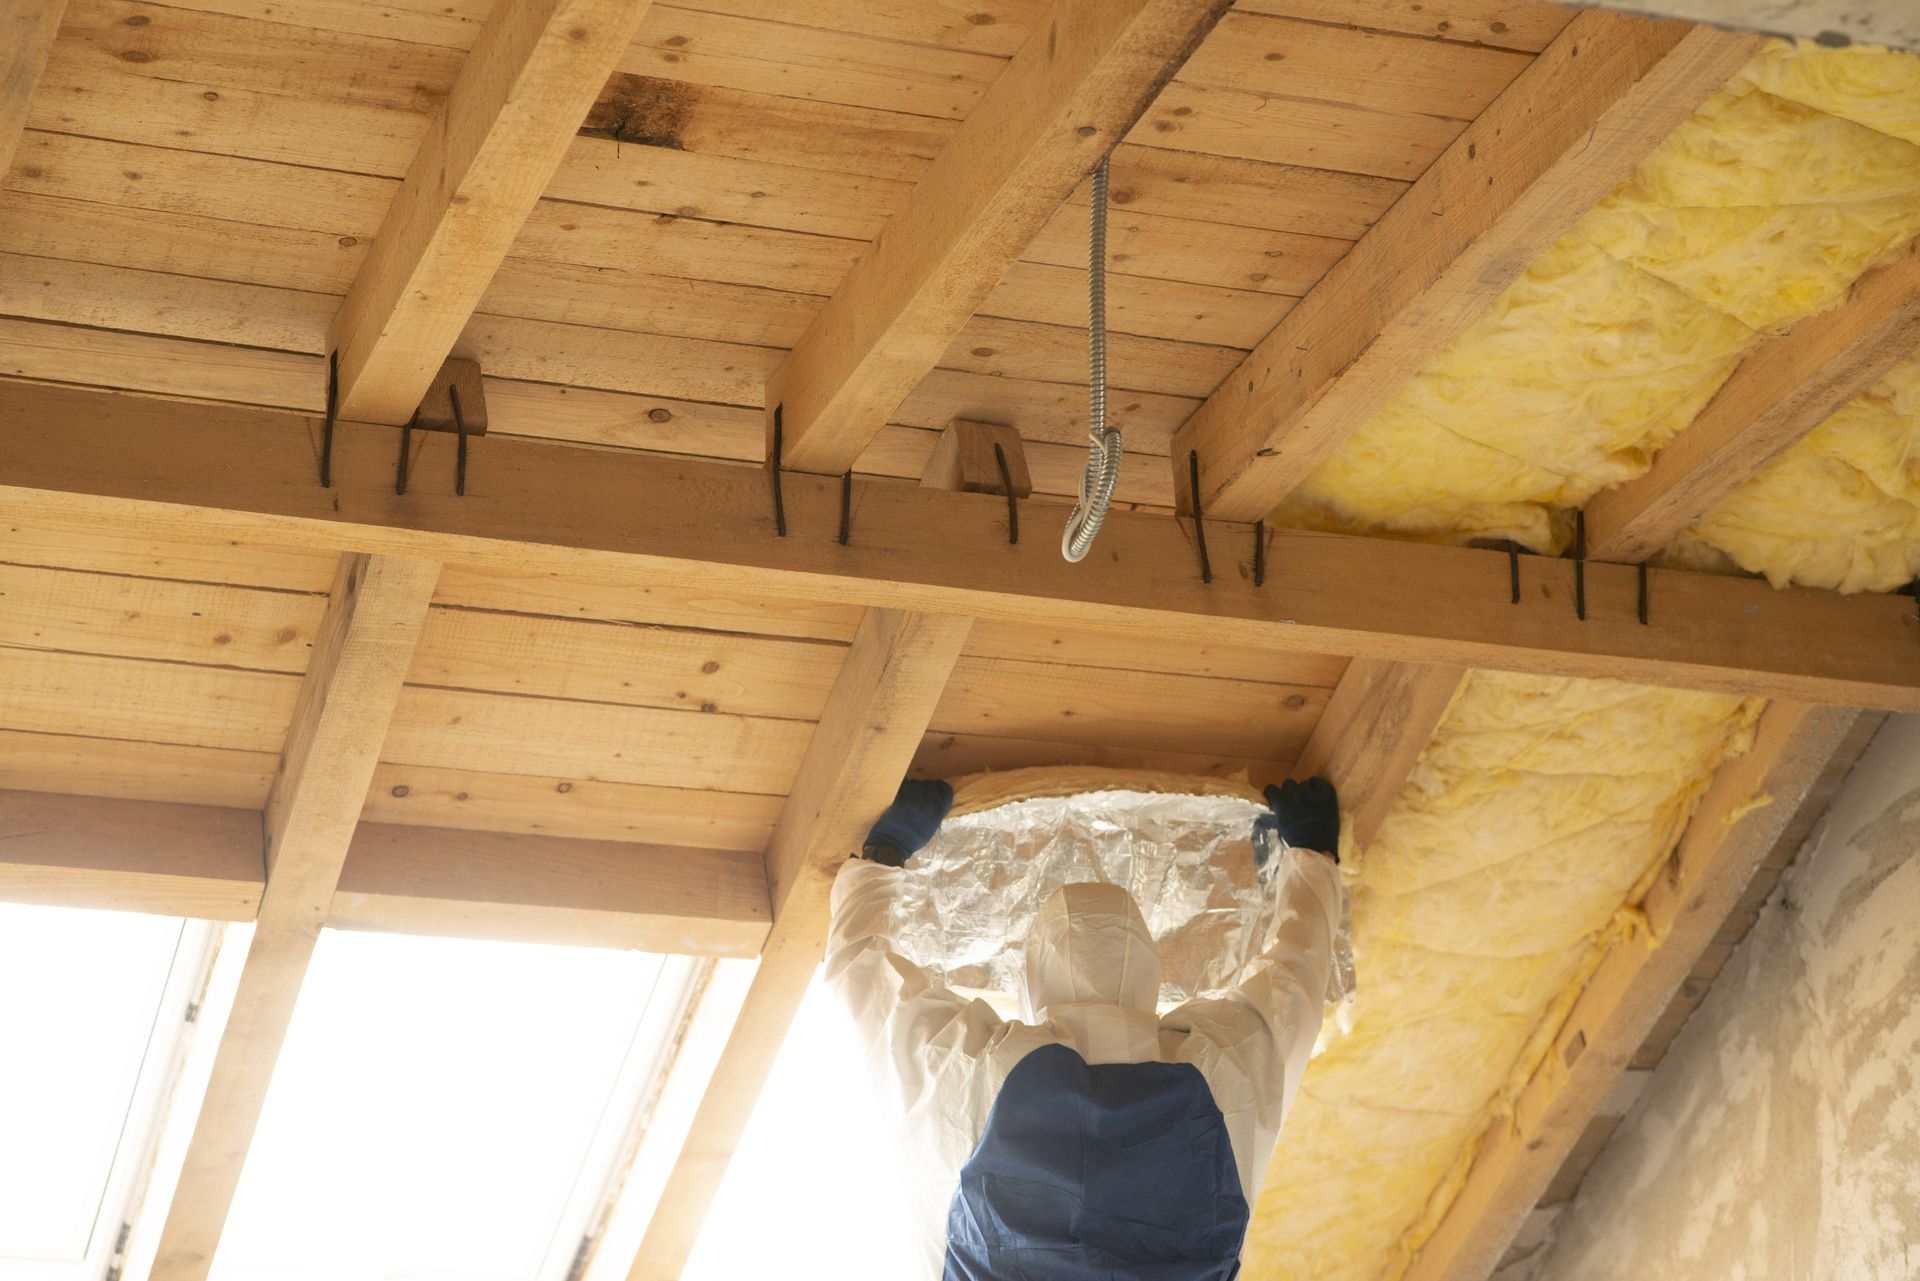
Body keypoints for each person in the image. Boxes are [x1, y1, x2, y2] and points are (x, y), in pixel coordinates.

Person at [826, 776, 1345, 1280]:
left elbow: (1294, 987)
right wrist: (884, 853)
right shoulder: (978, 1072)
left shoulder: (1219, 1066)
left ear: (1033, 978)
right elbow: (862, 982)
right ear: (1150, 971)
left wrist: (1315, 854)